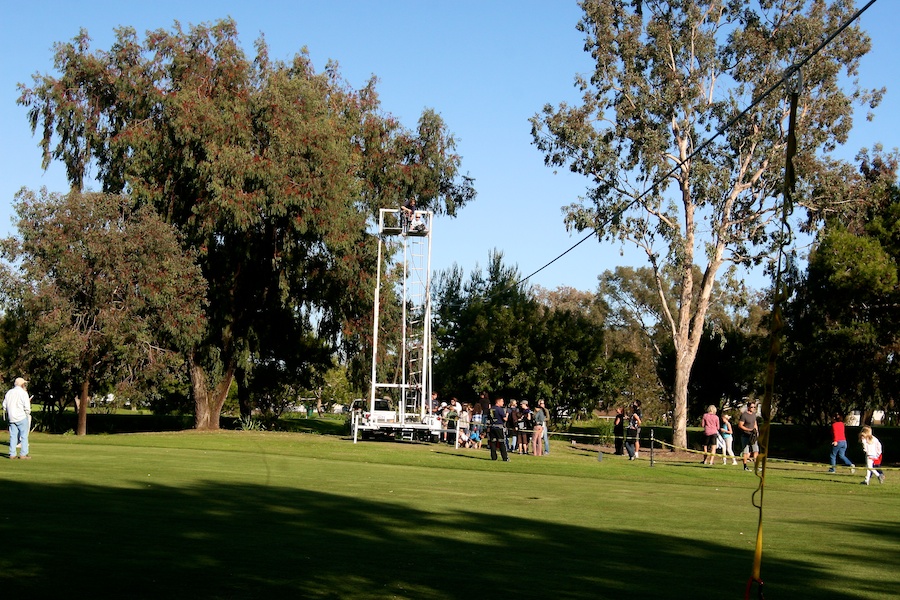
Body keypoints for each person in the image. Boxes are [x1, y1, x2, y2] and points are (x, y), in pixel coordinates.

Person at [3, 377, 32, 460]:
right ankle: (23, 454)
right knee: (24, 436)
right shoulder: (23, 393)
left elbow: (4, 405)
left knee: (13, 436)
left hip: (11, 418)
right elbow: (27, 407)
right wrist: (27, 413)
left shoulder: (9, 392)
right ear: (22, 384)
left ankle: (12, 454)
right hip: (21, 417)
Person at [738, 402, 760, 472]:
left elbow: (755, 423)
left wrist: (756, 431)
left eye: (754, 407)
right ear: (748, 407)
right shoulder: (744, 415)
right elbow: (740, 425)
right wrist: (748, 430)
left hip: (753, 436)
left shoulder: (754, 415)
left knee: (756, 450)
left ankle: (756, 466)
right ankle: (745, 466)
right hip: (745, 435)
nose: (753, 408)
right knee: (746, 451)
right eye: (752, 407)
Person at [487, 397, 509, 461]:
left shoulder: (491, 409)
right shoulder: (500, 409)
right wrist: (507, 414)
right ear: (498, 402)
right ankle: (505, 457)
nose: (503, 403)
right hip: (499, 427)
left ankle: (493, 457)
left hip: (492, 427)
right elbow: (505, 419)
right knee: (501, 442)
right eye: (502, 401)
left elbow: (488, 418)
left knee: (493, 442)